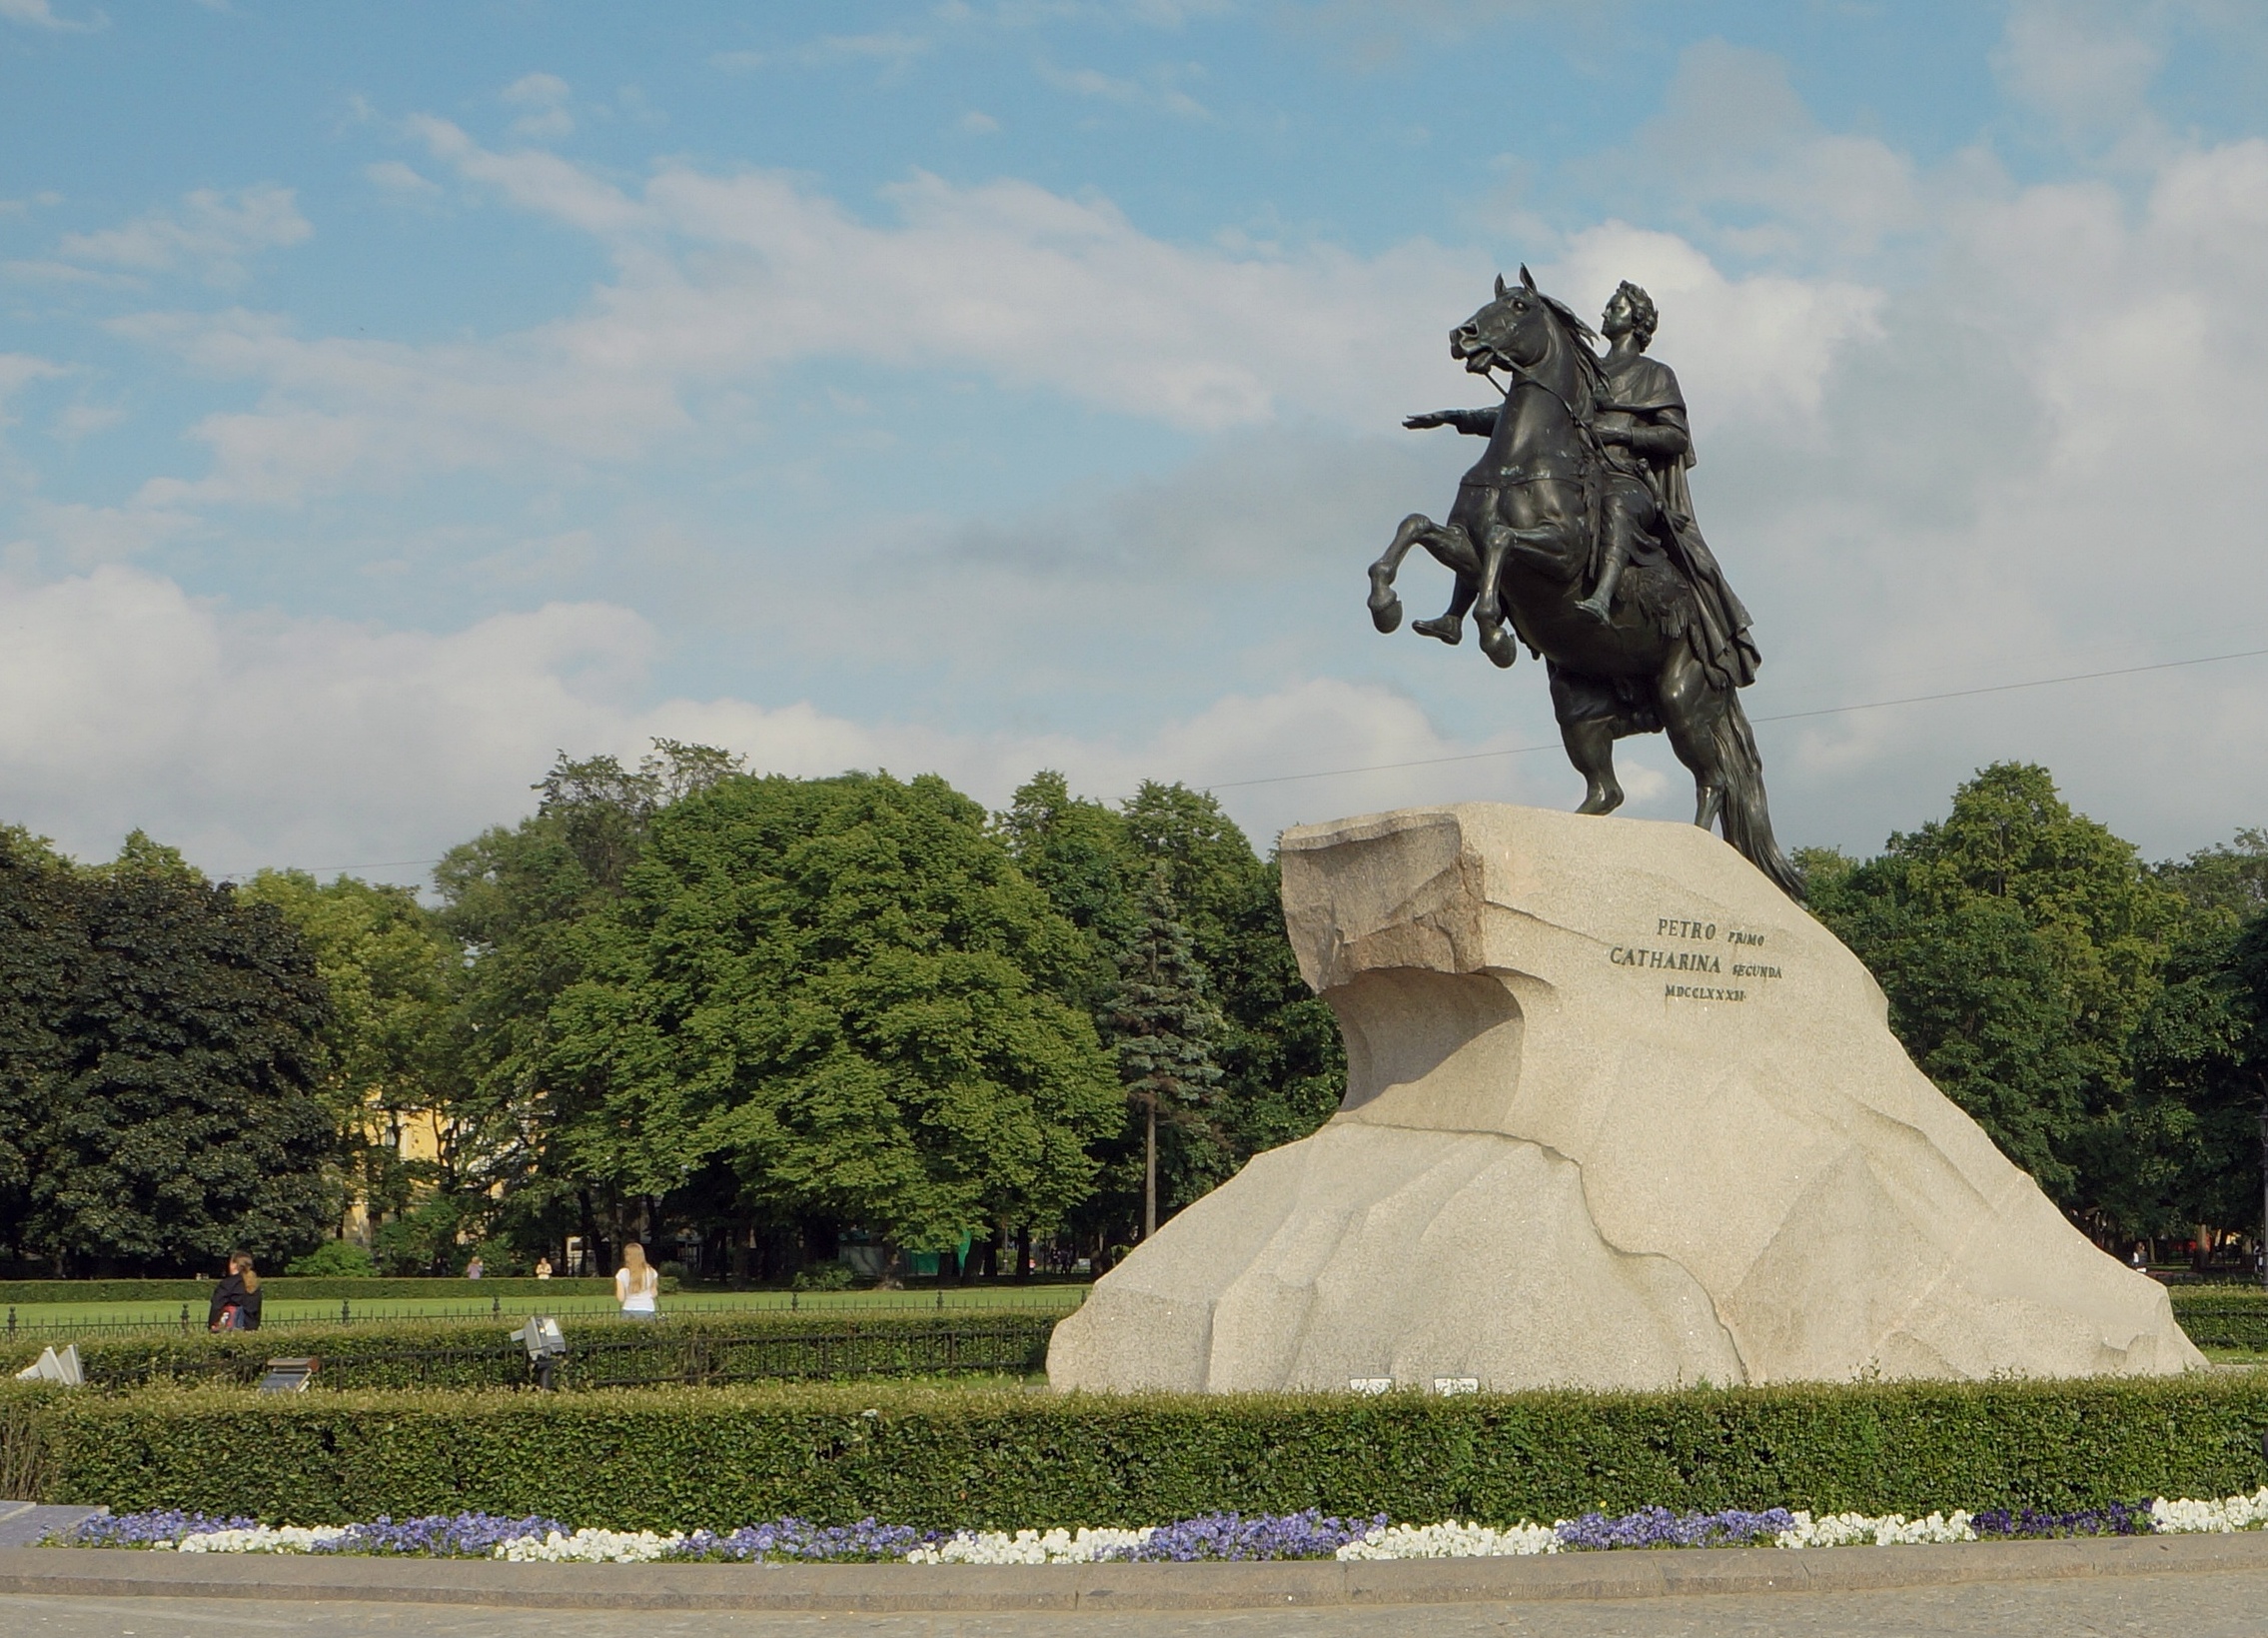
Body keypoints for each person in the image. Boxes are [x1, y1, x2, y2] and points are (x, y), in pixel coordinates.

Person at [1572, 281, 1760, 692]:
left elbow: (1675, 438)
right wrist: (1465, 418)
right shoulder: (1584, 370)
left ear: (1636, 321)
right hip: (1580, 473)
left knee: (1617, 505)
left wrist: (1624, 435)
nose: (1604, 313)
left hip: (1627, 478)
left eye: (1615, 307)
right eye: (1607, 306)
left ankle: (1603, 595)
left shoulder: (1655, 375)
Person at [208, 1252, 263, 1332]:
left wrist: (212, 1325)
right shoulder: (254, 1284)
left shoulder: (227, 1283)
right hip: (250, 1330)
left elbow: (216, 1306)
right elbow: (256, 1311)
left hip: (230, 1329)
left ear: (234, 1265)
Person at [614, 1242, 659, 1319]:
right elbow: (654, 1293)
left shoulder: (622, 1273)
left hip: (629, 1308)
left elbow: (621, 1297)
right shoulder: (652, 1272)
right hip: (647, 1308)